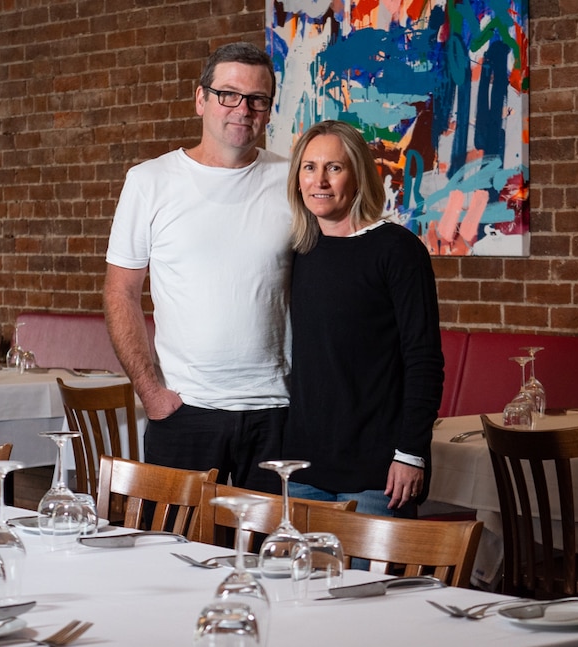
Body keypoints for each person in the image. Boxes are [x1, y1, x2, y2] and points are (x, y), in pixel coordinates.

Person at [103, 42, 291, 493]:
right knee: (173, 553)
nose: (243, 109)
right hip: (184, 408)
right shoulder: (149, 181)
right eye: (228, 94)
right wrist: (151, 392)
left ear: (268, 109)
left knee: (270, 557)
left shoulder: (292, 181)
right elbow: (120, 293)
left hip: (276, 412)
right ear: (200, 99)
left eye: (257, 99)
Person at [283, 120, 444, 515]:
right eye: (309, 167)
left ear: (357, 176)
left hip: (380, 474)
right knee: (299, 579)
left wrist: (411, 454)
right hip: (303, 469)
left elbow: (423, 360)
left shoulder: (397, 250)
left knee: (371, 582)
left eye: (334, 168)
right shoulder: (297, 251)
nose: (319, 180)